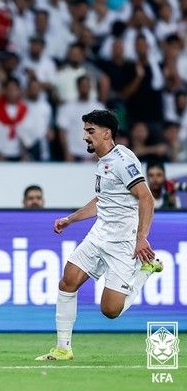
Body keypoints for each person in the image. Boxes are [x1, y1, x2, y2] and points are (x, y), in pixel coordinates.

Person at [36, 110, 161, 361]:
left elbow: (146, 198)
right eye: (85, 131)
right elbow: (102, 200)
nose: (85, 136)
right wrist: (71, 219)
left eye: (90, 131)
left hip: (123, 242)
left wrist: (141, 238)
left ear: (106, 133)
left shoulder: (123, 161)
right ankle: (63, 348)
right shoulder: (103, 161)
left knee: (110, 310)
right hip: (99, 235)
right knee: (68, 281)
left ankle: (144, 271)